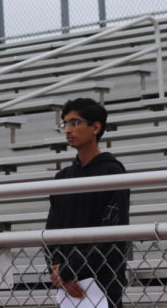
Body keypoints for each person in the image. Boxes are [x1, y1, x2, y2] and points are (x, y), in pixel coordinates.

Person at [46, 98, 130, 308]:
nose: (67, 130)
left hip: (102, 282)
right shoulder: (62, 177)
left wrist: (68, 271)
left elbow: (112, 233)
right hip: (67, 286)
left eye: (75, 122)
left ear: (96, 127)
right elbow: (51, 231)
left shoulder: (113, 171)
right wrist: (57, 272)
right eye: (64, 123)